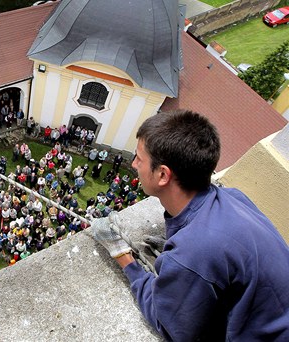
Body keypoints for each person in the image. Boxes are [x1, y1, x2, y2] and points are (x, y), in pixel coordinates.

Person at [91, 110, 289, 341]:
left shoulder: (192, 254)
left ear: (163, 175)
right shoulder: (233, 197)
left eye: (139, 158)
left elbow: (171, 326)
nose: (134, 164)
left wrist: (124, 258)